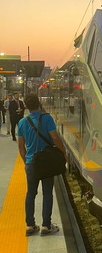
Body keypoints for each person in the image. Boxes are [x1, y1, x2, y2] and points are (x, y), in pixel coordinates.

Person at [17, 93, 66, 236]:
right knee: (47, 193)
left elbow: (21, 147)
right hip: (46, 162)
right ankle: (46, 225)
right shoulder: (47, 118)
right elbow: (55, 138)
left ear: (26, 106)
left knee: (31, 193)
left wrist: (27, 161)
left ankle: (30, 225)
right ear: (39, 103)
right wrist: (63, 152)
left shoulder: (22, 122)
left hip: (31, 163)